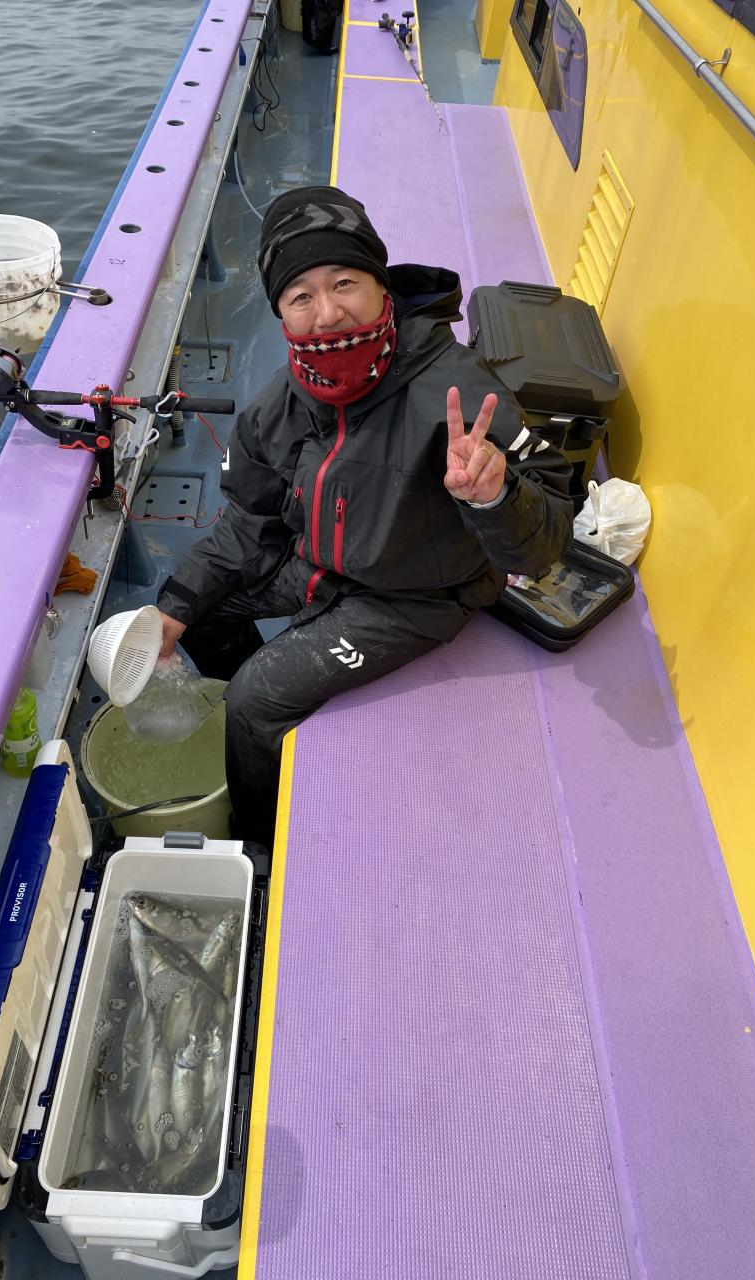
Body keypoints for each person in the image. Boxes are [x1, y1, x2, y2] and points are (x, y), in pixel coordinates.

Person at [156, 185, 574, 847]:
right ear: (281, 315)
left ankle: (259, 837)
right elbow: (250, 524)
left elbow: (542, 550)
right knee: (200, 617)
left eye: (344, 282)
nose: (327, 314)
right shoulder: (275, 407)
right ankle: (264, 731)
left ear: (382, 286)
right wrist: (176, 604)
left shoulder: (459, 393)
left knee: (256, 696)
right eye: (301, 296)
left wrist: (493, 495)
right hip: (318, 564)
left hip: (414, 596)